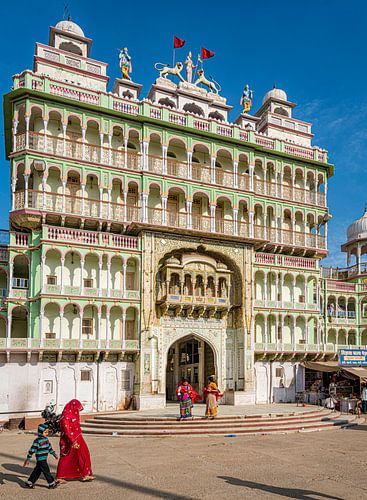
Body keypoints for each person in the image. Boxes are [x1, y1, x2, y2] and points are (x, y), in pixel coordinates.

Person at [56, 399, 95, 483]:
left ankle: (85, 474)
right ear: (72, 407)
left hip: (78, 437)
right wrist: (73, 441)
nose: (77, 411)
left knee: (84, 454)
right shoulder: (65, 416)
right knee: (67, 457)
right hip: (68, 440)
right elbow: (66, 430)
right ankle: (59, 476)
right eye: (77, 409)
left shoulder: (72, 415)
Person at [23, 423, 58, 489]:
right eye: (45, 432)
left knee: (37, 471)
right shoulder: (37, 441)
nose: (47, 433)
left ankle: (29, 482)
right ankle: (51, 483)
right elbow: (32, 450)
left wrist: (54, 454)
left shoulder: (46, 440)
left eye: (47, 432)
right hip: (40, 459)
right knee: (46, 471)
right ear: (40, 432)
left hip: (44, 458)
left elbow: (49, 448)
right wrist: (28, 458)